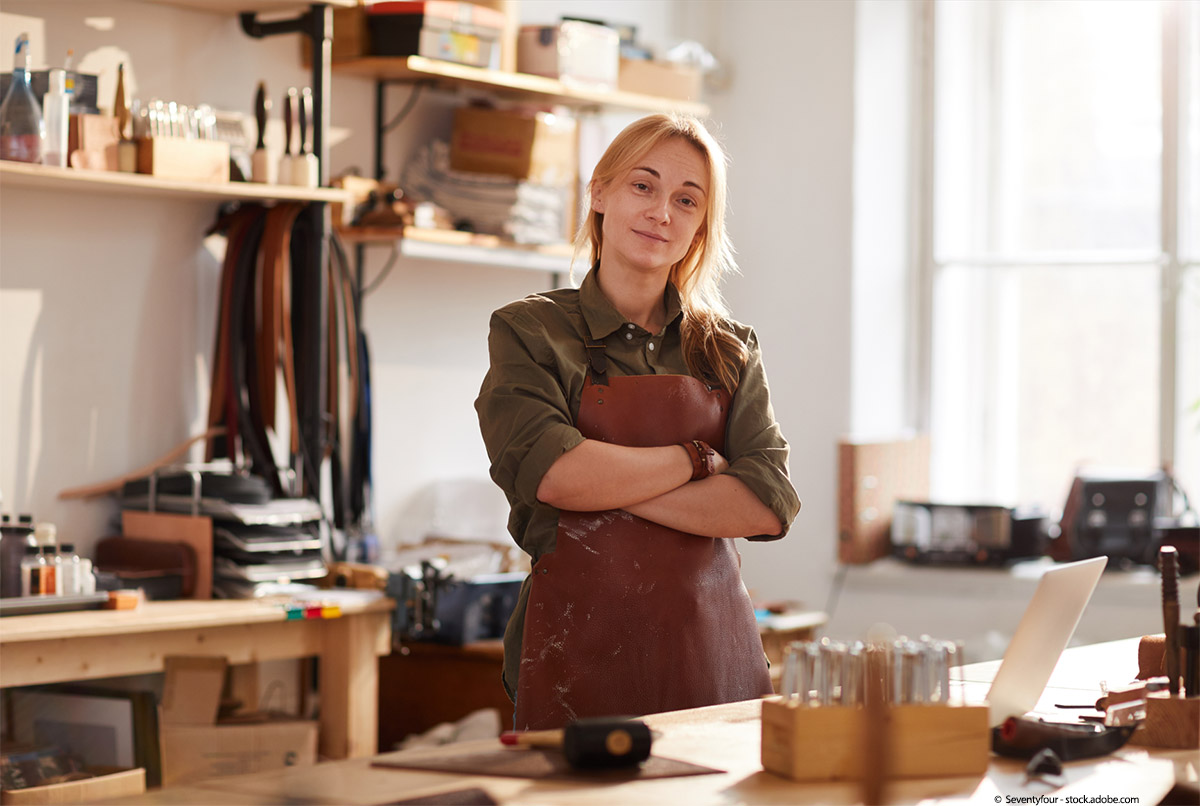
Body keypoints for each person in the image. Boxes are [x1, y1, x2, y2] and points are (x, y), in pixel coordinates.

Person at [475, 113, 801, 730]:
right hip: (575, 653)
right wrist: (697, 461)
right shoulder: (530, 330)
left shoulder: (729, 349)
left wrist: (609, 484)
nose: (662, 213)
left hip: (711, 656)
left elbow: (767, 503)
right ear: (600, 193)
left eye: (687, 200)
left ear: (702, 223)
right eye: (642, 187)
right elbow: (554, 474)